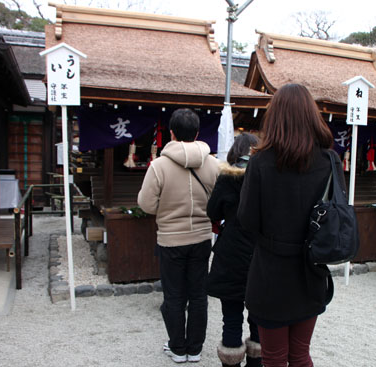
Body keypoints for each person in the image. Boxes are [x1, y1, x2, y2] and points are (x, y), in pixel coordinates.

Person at [237, 83, 335, 367]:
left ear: (275, 116)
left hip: (271, 272)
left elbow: (247, 220)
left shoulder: (261, 163)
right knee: (301, 355)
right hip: (311, 270)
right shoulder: (329, 161)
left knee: (275, 359)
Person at [137, 108, 219, 363]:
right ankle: (194, 349)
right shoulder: (213, 164)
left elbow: (146, 205)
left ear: (171, 133)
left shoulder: (159, 166)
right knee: (198, 295)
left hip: (171, 240)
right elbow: (220, 204)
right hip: (202, 237)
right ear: (197, 133)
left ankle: (177, 347)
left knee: (174, 296)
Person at [207, 133, 262, 367]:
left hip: (230, 254)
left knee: (231, 319)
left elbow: (213, 212)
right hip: (261, 254)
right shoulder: (266, 178)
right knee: (259, 318)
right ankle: (256, 364)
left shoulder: (226, 178)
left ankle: (230, 363)